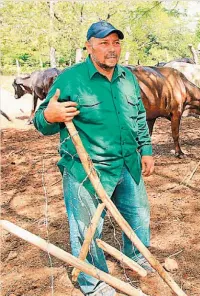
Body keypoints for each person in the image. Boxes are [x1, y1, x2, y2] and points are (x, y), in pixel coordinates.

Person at [33, 21, 154, 296]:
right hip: (87, 171)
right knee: (86, 230)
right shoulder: (71, 79)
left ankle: (135, 258)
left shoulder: (127, 78)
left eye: (116, 43)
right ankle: (94, 282)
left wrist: (146, 150)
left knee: (138, 217)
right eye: (103, 43)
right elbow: (41, 121)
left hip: (128, 163)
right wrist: (50, 117)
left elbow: (138, 117)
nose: (112, 49)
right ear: (89, 47)